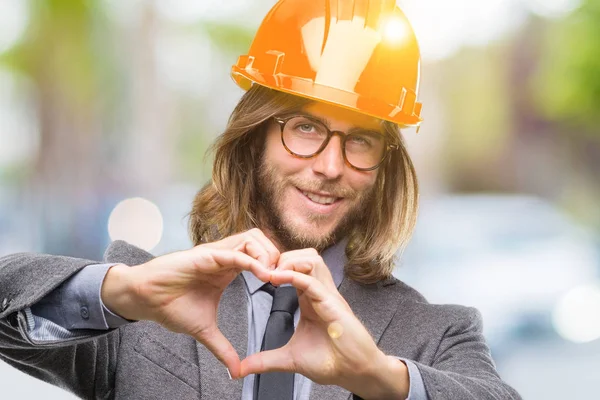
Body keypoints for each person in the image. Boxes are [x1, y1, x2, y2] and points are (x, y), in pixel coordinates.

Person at [0, 0, 522, 399]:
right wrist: (124, 291)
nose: (330, 165)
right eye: (304, 127)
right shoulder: (144, 304)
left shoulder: (438, 333)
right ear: (254, 139)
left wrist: (381, 378)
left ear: (383, 167)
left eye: (360, 139)